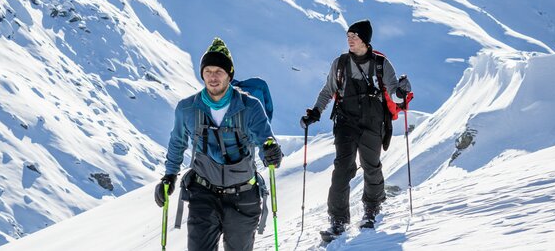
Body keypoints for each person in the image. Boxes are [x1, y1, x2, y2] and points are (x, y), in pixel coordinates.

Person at [155, 37, 283, 251]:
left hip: (243, 195)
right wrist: (169, 176)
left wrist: (272, 152)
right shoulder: (187, 109)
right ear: (202, 74)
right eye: (208, 71)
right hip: (203, 193)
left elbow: (265, 139)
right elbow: (177, 143)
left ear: (229, 75)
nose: (213, 77)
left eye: (219, 72)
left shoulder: (250, 107)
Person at [300, 20, 411, 235]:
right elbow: (328, 90)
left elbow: (395, 92)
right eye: (348, 35)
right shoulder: (340, 63)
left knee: (371, 166)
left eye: (354, 35)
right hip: (345, 122)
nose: (350, 39)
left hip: (372, 121)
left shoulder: (381, 64)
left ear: (365, 39)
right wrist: (315, 111)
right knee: (342, 168)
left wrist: (402, 92)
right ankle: (338, 220)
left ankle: (372, 207)